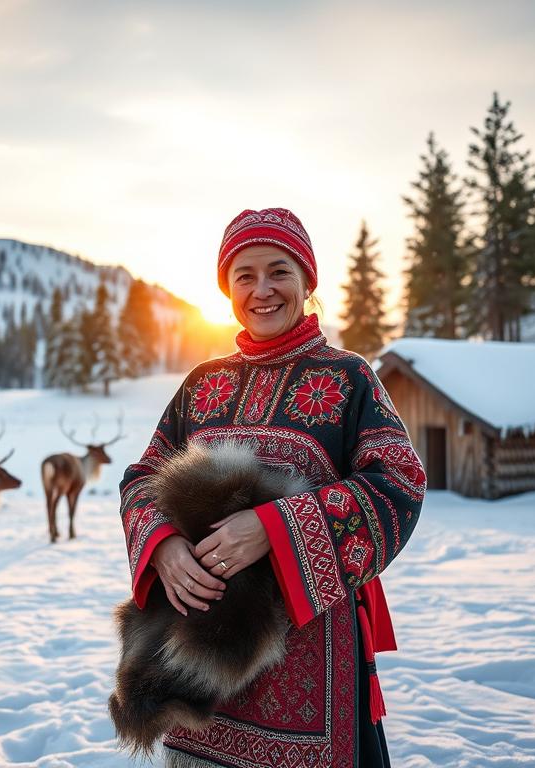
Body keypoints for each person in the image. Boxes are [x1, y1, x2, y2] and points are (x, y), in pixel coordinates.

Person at [118, 208, 425, 768]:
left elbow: (398, 483)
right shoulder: (202, 383)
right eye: (244, 275)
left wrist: (273, 528)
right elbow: (142, 477)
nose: (262, 289)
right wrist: (162, 544)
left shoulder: (347, 378)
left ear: (307, 282)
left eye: (279, 271)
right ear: (227, 289)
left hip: (310, 663)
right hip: (197, 671)